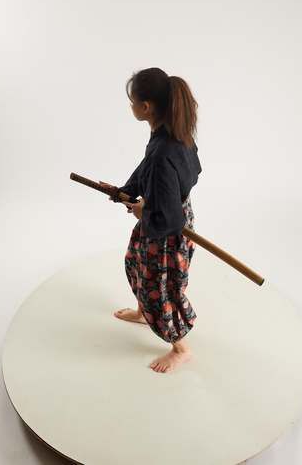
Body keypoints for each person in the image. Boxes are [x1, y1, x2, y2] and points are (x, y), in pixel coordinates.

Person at [100, 67, 201, 373]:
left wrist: (145, 211)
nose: (131, 106)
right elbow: (149, 169)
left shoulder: (164, 149)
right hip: (163, 221)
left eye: (132, 102)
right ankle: (145, 313)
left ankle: (181, 348)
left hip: (168, 234)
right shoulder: (170, 134)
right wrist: (126, 191)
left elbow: (169, 218)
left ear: (145, 107)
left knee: (161, 289)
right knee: (135, 264)